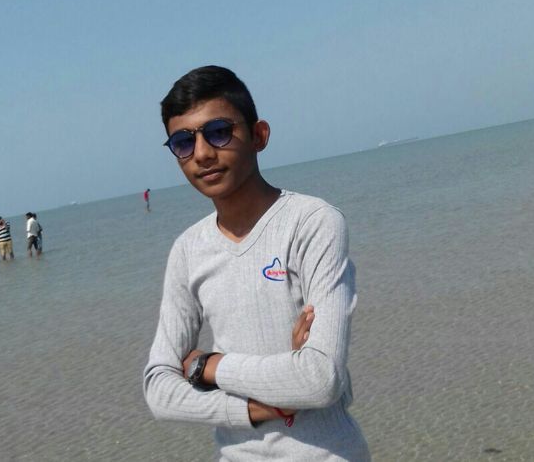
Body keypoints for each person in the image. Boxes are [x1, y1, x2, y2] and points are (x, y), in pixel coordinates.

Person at [143, 66, 370, 461]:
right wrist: (252, 409)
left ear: (259, 135)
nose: (202, 153)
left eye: (218, 132)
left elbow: (321, 379)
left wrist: (208, 366)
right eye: (183, 141)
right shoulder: (188, 250)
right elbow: (158, 390)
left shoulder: (311, 223)